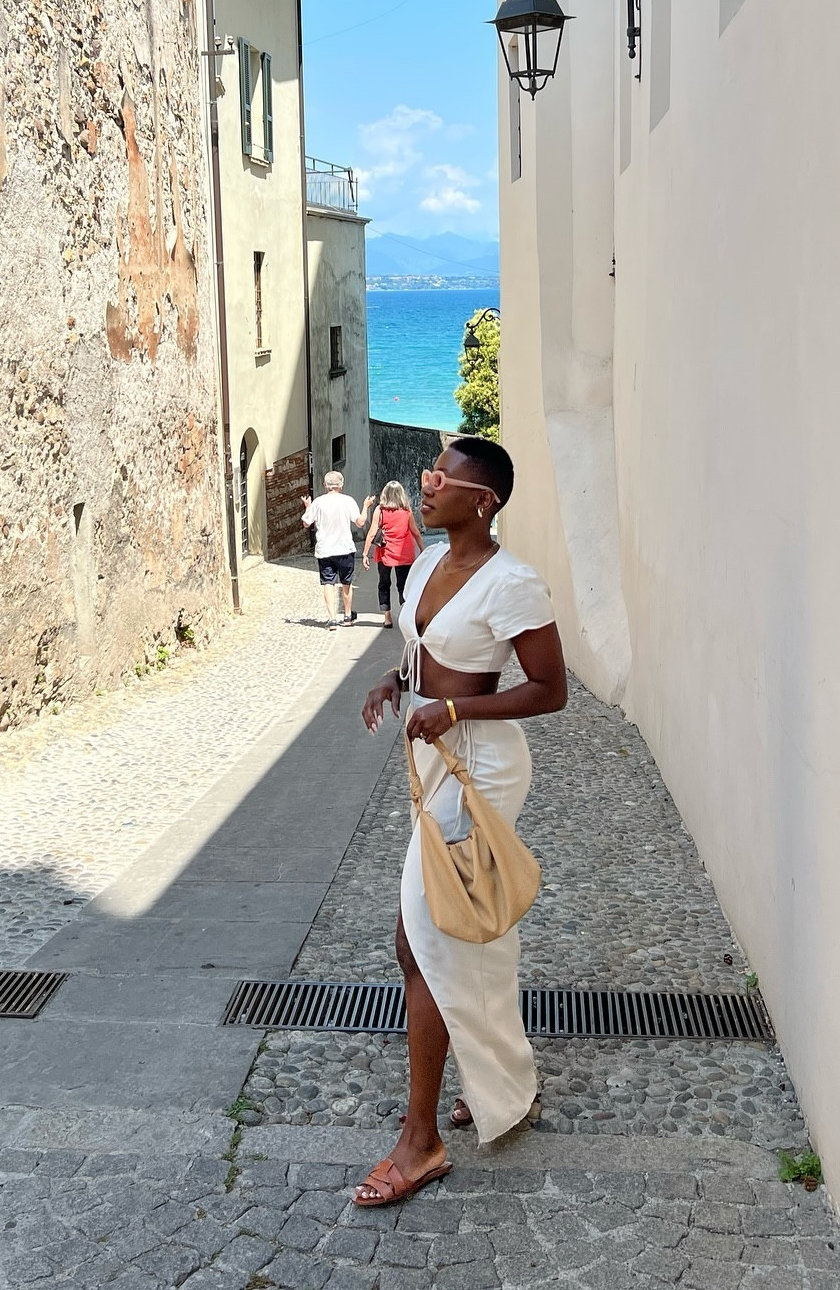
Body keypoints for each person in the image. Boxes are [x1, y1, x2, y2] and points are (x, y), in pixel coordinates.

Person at [354, 437, 568, 1207]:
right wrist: (392, 679)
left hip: (481, 768)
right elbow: (423, 656)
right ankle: (502, 1080)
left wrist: (452, 709)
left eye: (443, 476)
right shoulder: (421, 566)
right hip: (435, 761)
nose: (427, 481)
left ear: (486, 501)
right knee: (467, 931)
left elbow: (550, 689)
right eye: (428, 470)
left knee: (425, 936)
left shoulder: (513, 582)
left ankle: (422, 1143)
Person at [301, 471, 373, 627]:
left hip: (325, 549)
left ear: (325, 485)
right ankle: (347, 616)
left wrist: (308, 507)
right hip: (344, 548)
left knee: (328, 583)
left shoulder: (318, 502)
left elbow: (306, 523)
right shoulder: (348, 501)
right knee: (346, 583)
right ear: (341, 485)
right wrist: (366, 507)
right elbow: (360, 522)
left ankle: (332, 618)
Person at [362, 481, 424, 627]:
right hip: (404, 553)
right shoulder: (406, 510)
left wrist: (365, 554)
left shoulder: (380, 510)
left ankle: (387, 617)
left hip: (385, 553)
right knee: (404, 585)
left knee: (384, 584)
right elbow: (415, 532)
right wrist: (422, 549)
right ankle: (405, 613)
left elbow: (372, 533)